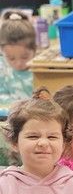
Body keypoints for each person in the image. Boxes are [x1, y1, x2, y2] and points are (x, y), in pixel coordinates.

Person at [0, 11, 37, 165]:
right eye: (11, 58)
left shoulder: (38, 71)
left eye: (24, 57)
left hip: (35, 121)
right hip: (8, 120)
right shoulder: (3, 68)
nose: (18, 63)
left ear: (34, 49)